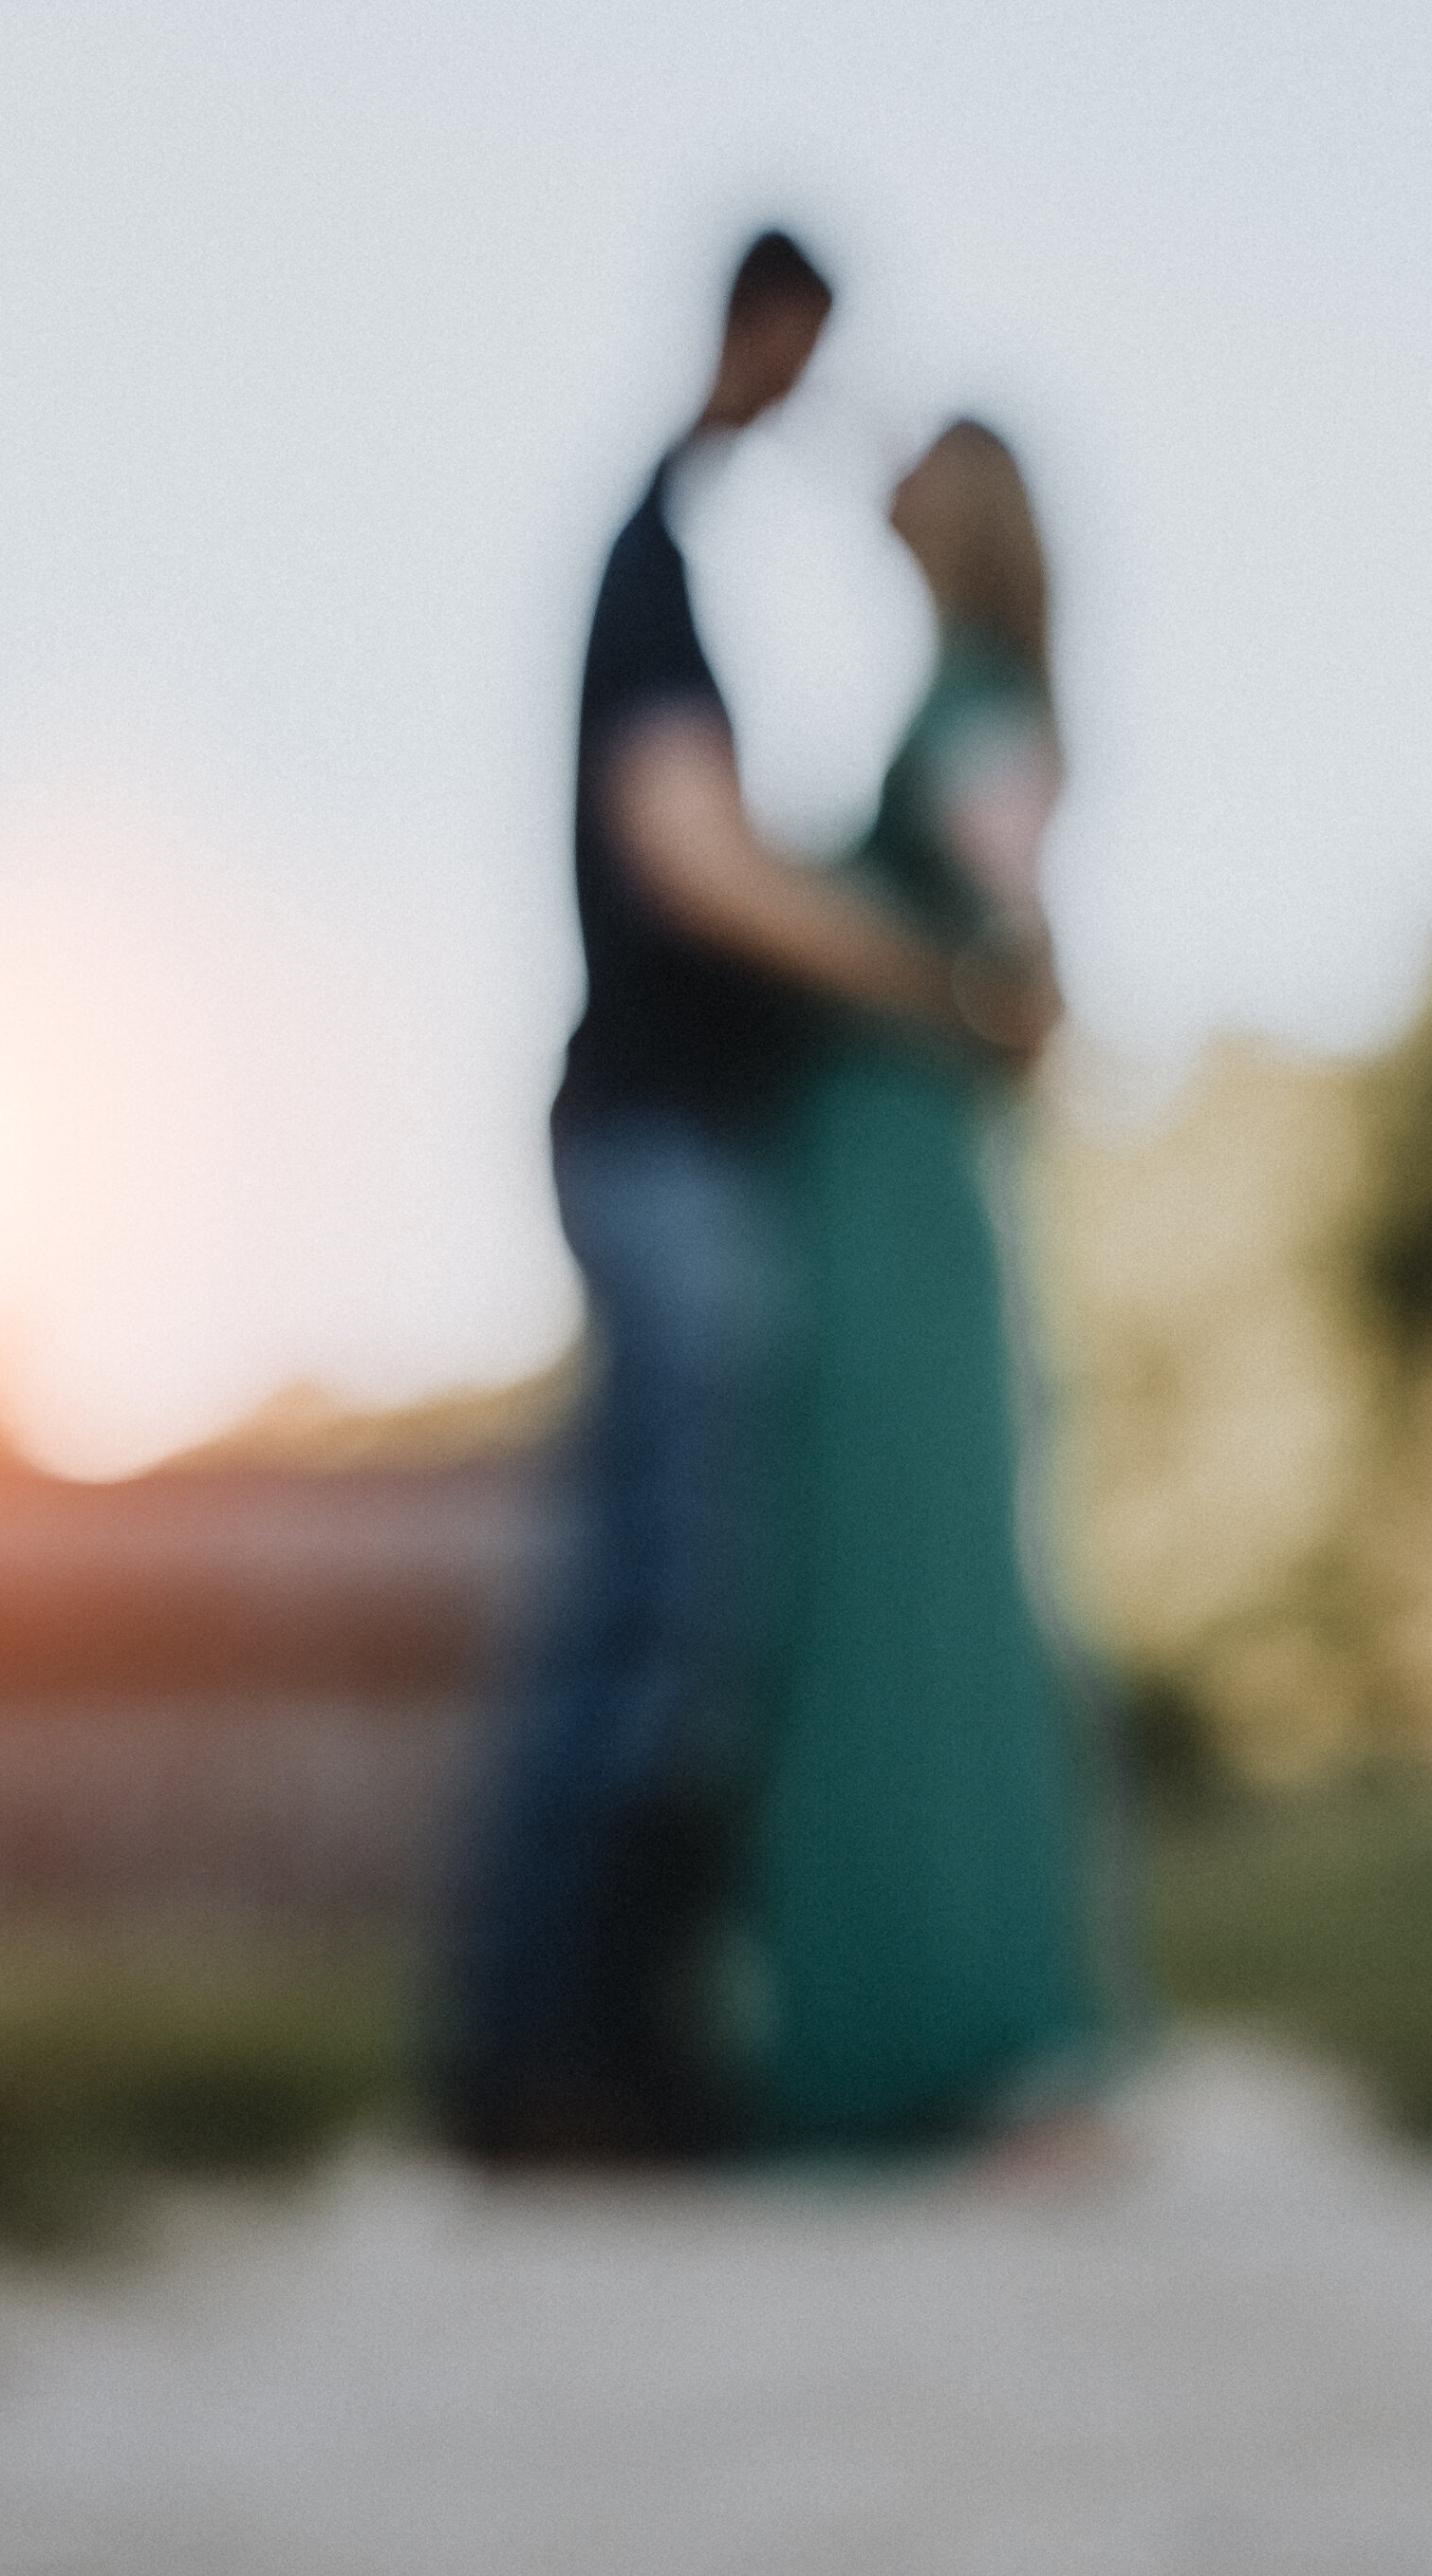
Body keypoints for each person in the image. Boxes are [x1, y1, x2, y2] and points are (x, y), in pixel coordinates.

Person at [436, 236, 1041, 2163]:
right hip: (657, 1139)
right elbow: (697, 859)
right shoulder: (651, 563)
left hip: (694, 1144)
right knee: (660, 1614)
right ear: (760, 338)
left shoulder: (676, 561)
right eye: (809, 364)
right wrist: (921, 981)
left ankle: (584, 2045)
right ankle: (558, 2054)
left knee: (665, 1599)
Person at [749, 420, 1120, 2147]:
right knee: (875, 1583)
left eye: (913, 470)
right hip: (867, 1165)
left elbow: (1021, 965)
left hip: (906, 1172)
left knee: (922, 1589)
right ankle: (893, 2019)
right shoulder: (961, 684)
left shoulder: (982, 701)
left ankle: (964, 2031)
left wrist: (833, 926)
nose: (881, 486)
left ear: (962, 510)